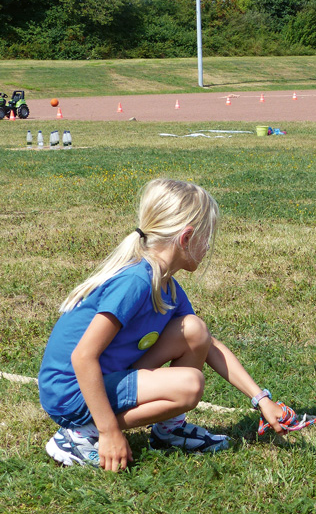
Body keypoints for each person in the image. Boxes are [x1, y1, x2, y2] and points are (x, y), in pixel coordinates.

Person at [38, 178, 293, 471]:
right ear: (186, 238)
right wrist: (110, 432)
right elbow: (82, 357)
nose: (208, 245)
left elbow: (206, 344)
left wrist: (261, 400)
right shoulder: (135, 281)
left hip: (104, 379)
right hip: (72, 392)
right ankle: (81, 435)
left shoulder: (167, 286)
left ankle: (169, 431)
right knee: (190, 385)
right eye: (206, 236)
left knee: (195, 330)